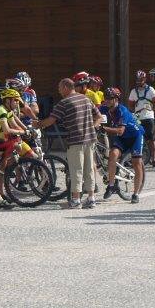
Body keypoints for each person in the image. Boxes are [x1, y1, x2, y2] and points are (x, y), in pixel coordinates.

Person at [37, 78, 102, 209]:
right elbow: (99, 116)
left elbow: (51, 120)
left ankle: (76, 200)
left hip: (75, 140)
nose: (59, 91)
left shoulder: (64, 103)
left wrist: (38, 124)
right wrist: (93, 127)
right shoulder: (86, 99)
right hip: (90, 139)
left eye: (60, 88)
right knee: (89, 169)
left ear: (66, 87)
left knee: (76, 170)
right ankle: (91, 198)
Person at [101, 87, 144, 203]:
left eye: (109, 98)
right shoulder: (105, 109)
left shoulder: (122, 111)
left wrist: (103, 128)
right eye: (105, 98)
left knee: (137, 163)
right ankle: (111, 185)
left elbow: (120, 131)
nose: (107, 100)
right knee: (113, 154)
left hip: (135, 136)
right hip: (122, 138)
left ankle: (135, 193)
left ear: (116, 99)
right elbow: (93, 113)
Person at [127, 70, 155, 167]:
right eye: (137, 80)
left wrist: (149, 109)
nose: (139, 82)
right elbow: (130, 105)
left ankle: (154, 159)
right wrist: (136, 110)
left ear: (144, 79)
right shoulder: (133, 91)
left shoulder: (151, 90)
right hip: (138, 117)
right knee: (136, 136)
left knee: (151, 137)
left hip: (148, 116)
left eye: (141, 80)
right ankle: (137, 158)